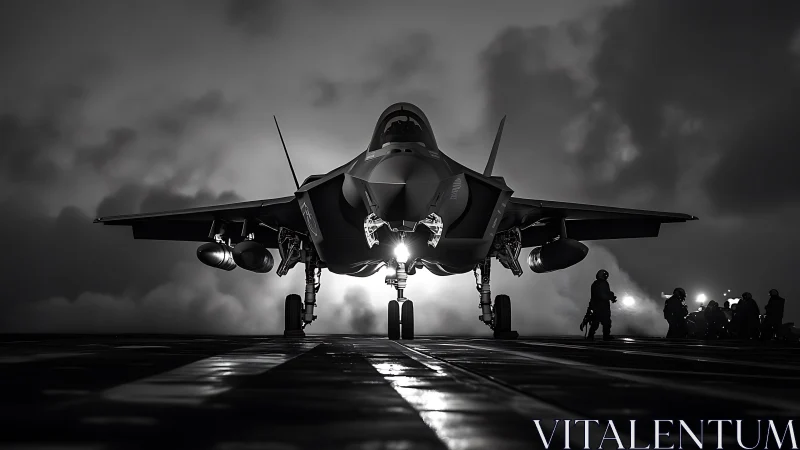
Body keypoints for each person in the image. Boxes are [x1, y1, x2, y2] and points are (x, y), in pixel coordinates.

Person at [588, 269, 616, 340]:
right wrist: (611, 297)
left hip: (596, 306)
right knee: (605, 322)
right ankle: (606, 336)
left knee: (596, 322)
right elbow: (602, 295)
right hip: (602, 306)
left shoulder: (595, 284)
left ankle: (590, 336)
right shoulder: (603, 283)